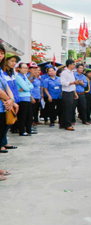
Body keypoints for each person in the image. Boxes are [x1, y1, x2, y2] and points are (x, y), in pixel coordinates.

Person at [0, 44, 14, 179]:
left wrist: (12, 100)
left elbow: (7, 86)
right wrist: (9, 100)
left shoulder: (0, 71)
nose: (0, 55)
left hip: (3, 107)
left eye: (2, 53)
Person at [16, 62, 35, 136]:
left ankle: (29, 130)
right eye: (23, 68)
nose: (25, 69)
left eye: (26, 68)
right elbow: (26, 88)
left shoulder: (25, 76)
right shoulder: (18, 77)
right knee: (22, 116)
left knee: (29, 115)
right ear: (19, 69)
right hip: (22, 98)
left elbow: (31, 86)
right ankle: (22, 131)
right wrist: (26, 87)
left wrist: (26, 87)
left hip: (27, 98)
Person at [61, 60, 79, 131]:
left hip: (71, 92)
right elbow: (63, 83)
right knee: (68, 109)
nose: (74, 66)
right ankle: (67, 124)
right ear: (69, 65)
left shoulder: (71, 73)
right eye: (73, 64)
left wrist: (75, 93)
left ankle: (63, 124)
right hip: (67, 92)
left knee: (69, 108)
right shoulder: (64, 72)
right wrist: (73, 82)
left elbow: (73, 84)